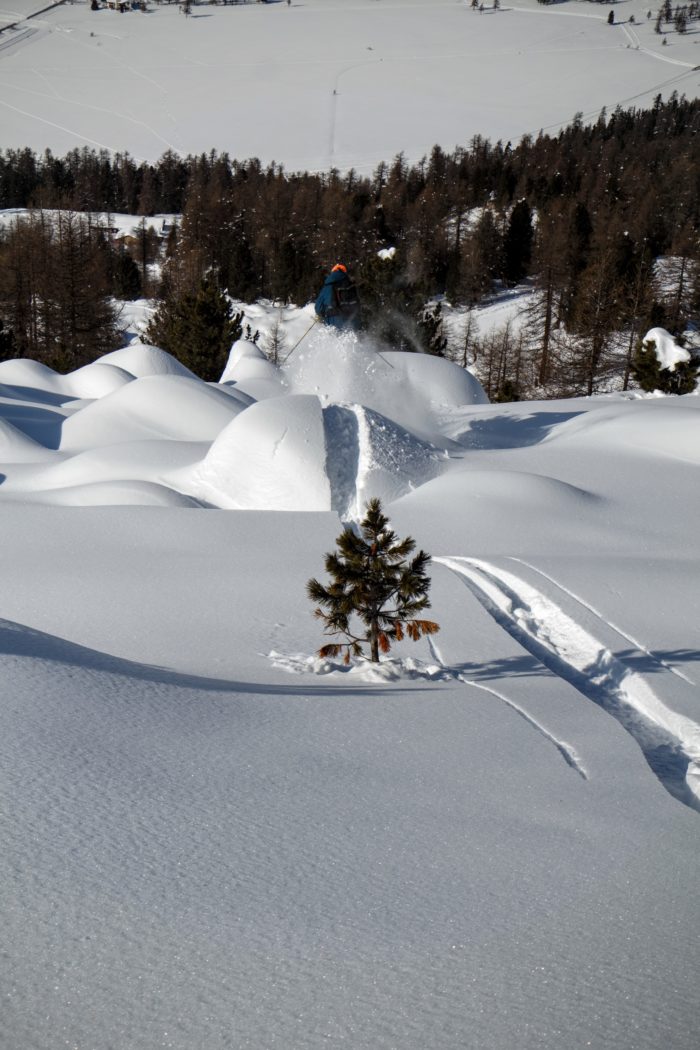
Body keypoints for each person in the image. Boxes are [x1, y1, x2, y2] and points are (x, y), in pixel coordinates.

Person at [314, 263, 360, 331]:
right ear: (344, 272)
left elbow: (318, 308)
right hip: (352, 320)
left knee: (338, 339)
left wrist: (323, 315)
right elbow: (358, 304)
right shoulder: (351, 285)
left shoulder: (328, 286)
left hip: (334, 321)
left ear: (333, 272)